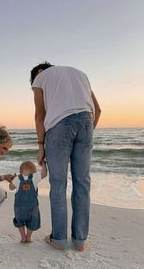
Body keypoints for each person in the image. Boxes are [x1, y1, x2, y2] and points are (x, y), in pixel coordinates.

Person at [30, 62, 101, 251]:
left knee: (58, 184)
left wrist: (40, 146)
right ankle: (80, 240)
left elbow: (40, 115)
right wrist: (87, 134)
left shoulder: (40, 77)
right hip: (86, 121)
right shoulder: (81, 74)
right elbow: (98, 110)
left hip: (59, 126)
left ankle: (59, 239)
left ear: (38, 73)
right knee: (82, 184)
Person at [9, 160, 47, 243]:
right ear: (33, 170)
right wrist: (43, 163)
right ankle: (28, 237)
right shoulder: (35, 177)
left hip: (19, 207)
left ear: (21, 170)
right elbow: (44, 174)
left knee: (20, 222)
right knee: (32, 222)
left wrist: (12, 180)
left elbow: (11, 187)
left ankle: (23, 237)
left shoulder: (17, 178)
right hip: (32, 207)